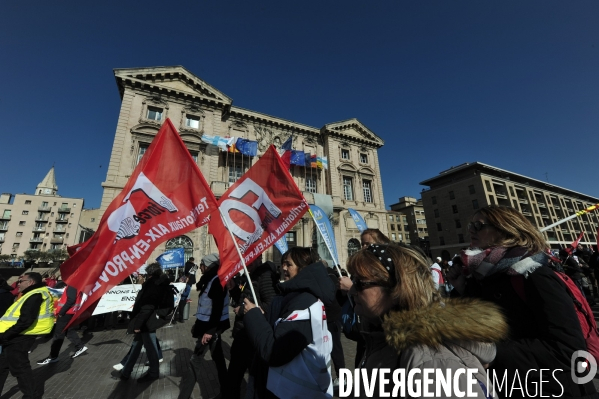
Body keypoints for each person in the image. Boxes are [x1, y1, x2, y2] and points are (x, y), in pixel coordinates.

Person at [447, 205, 598, 398]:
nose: (470, 230)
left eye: (478, 225)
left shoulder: (534, 274)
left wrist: (493, 353)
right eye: (470, 225)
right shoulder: (482, 275)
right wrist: (461, 289)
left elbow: (567, 349)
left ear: (506, 230)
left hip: (555, 389)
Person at [349, 244, 506, 397]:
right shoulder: (382, 339)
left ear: (398, 290)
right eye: (352, 280)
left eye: (360, 283)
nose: (352, 290)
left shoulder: (430, 362)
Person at [243, 247, 336, 399]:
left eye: (288, 264)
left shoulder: (304, 302)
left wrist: (253, 316)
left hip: (292, 391)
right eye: (283, 263)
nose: (283, 268)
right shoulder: (300, 297)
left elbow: (274, 350)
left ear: (303, 268)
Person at [178, 254, 230, 399]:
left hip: (211, 328)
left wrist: (210, 331)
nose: (200, 266)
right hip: (208, 327)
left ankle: (184, 396)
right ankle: (228, 391)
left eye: (202, 264)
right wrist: (197, 325)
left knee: (195, 361)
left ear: (209, 265)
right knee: (219, 360)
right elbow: (204, 308)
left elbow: (217, 309)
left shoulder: (216, 281)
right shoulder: (209, 280)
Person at [0, 272, 54, 399]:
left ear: (30, 282)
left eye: (21, 281)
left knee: (20, 368)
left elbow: (25, 321)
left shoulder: (36, 294)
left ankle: (31, 395)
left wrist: (5, 336)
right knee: (3, 366)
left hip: (21, 336)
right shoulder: (31, 293)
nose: (18, 284)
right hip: (16, 335)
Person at [118, 262, 173, 382]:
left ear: (150, 274)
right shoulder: (158, 283)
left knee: (150, 348)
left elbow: (147, 307)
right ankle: (126, 372)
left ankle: (152, 373)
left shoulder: (153, 285)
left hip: (147, 321)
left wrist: (138, 324)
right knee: (136, 346)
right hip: (148, 320)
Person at [37, 285, 87, 365]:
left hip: (65, 314)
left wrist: (61, 312)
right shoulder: (76, 286)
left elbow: (71, 300)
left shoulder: (72, 286)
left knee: (58, 335)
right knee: (68, 331)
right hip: (69, 313)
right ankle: (80, 346)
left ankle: (53, 357)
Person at [177, 257, 197, 321]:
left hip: (189, 280)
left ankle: (187, 298)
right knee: (188, 289)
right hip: (188, 282)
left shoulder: (188, 264)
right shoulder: (189, 265)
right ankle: (187, 298)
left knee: (188, 288)